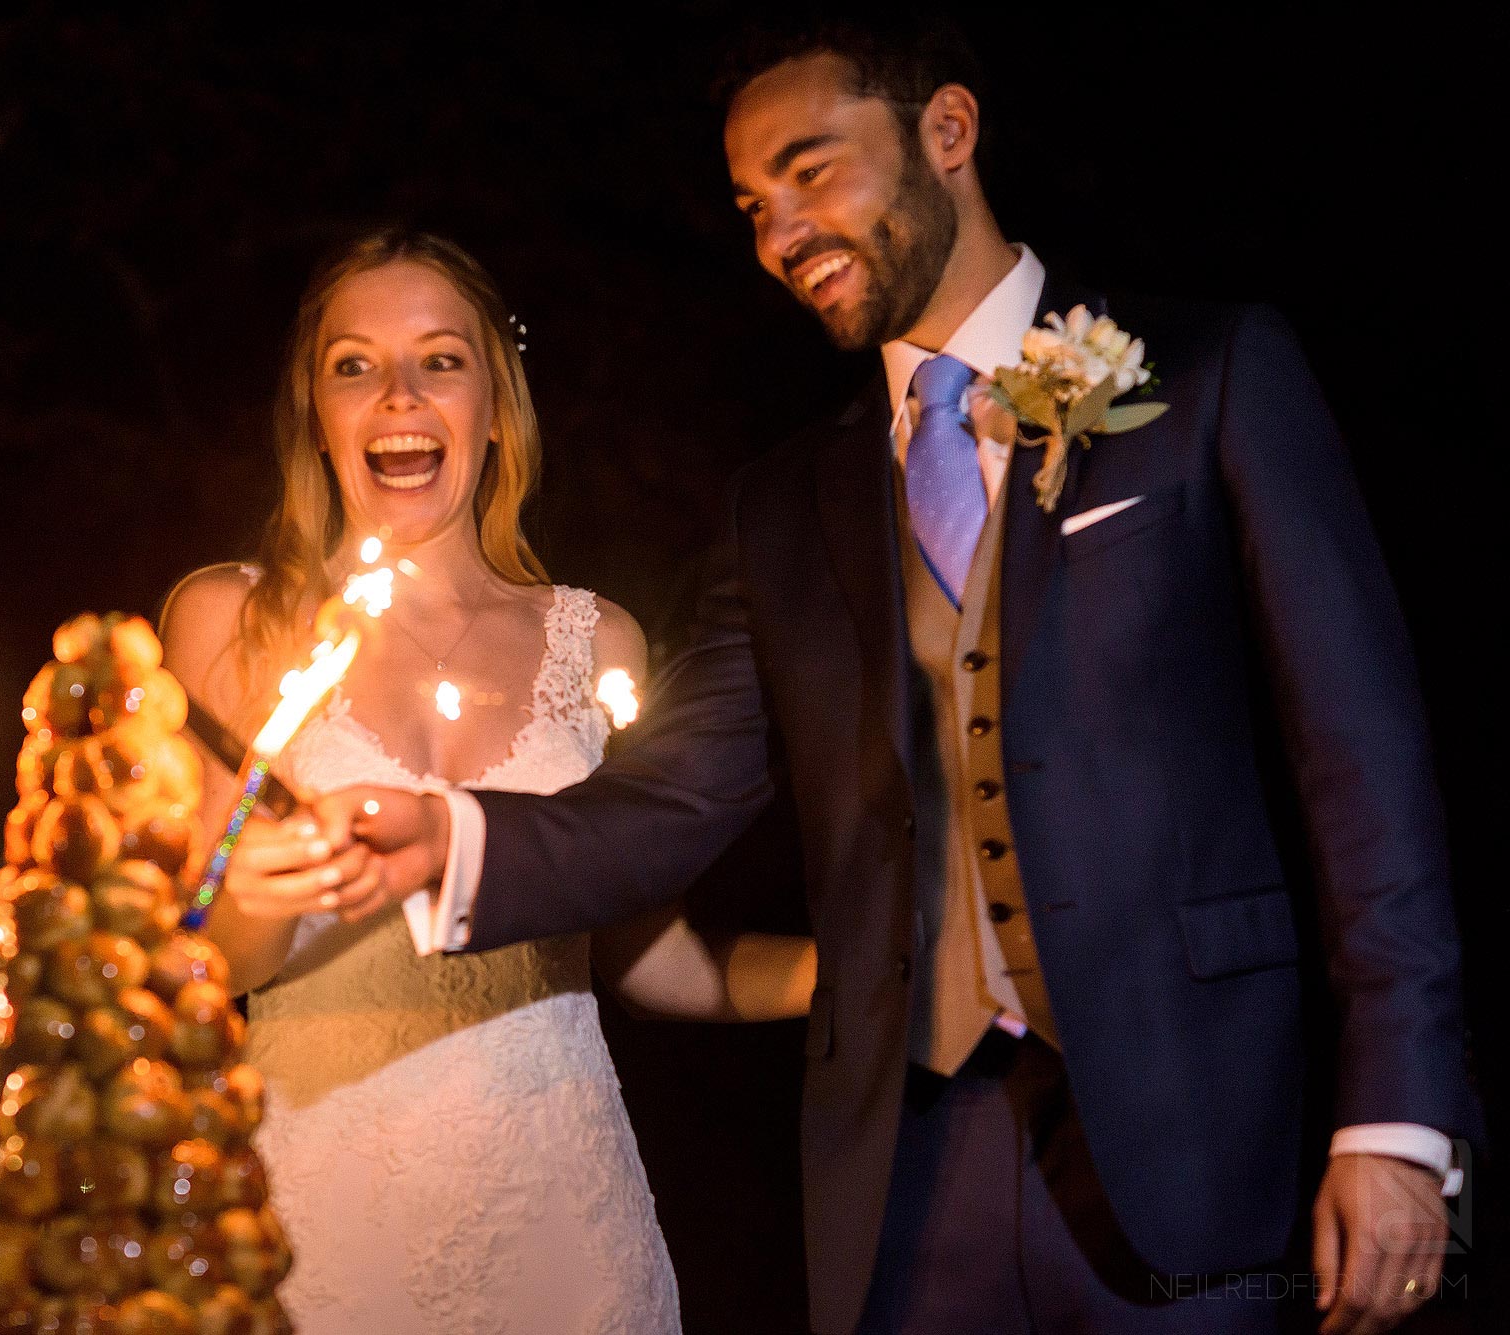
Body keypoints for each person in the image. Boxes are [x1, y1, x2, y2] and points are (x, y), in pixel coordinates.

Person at [237, 19, 1479, 1335]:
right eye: (754, 205)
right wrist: (448, 833)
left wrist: (1399, 1113)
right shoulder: (781, 506)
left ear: (948, 131)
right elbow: (666, 805)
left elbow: (1365, 764)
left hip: (1198, 1143)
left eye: (811, 172)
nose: (781, 233)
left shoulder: (1213, 375)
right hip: (905, 1177)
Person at [160, 228, 813, 1334]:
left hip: (562, 1218)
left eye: (440, 360)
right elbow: (198, 963)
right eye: (353, 365)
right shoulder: (233, 619)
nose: (398, 394)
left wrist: (850, 977)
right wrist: (264, 898)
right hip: (316, 1219)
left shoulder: (597, 642)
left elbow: (645, 953)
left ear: (495, 408)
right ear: (315, 419)